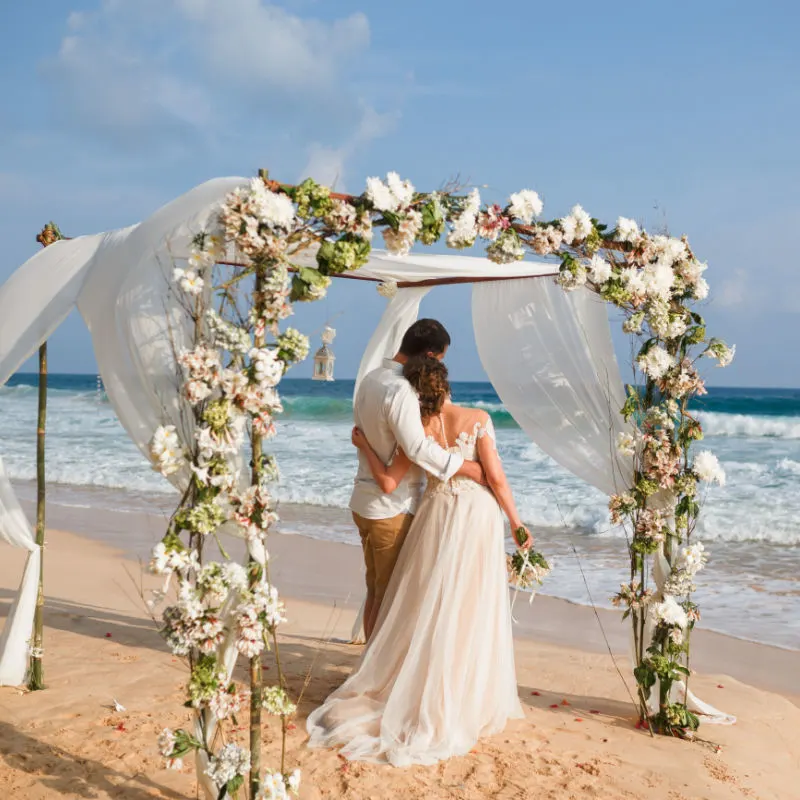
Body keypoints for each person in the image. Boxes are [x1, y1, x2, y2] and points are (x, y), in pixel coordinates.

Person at [307, 356, 529, 765]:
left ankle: (413, 681)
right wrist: (516, 522)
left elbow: (390, 478)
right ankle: (458, 692)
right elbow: (495, 478)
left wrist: (365, 447)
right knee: (468, 605)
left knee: (426, 602)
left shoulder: (419, 430)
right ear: (445, 385)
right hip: (475, 518)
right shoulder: (478, 417)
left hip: (434, 515)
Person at [348, 319, 484, 641]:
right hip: (390, 509)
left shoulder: (370, 379)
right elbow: (417, 448)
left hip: (363, 502)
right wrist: (466, 467)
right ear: (429, 355)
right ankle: (374, 673)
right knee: (390, 597)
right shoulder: (400, 390)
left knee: (376, 592)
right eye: (439, 359)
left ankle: (370, 665)